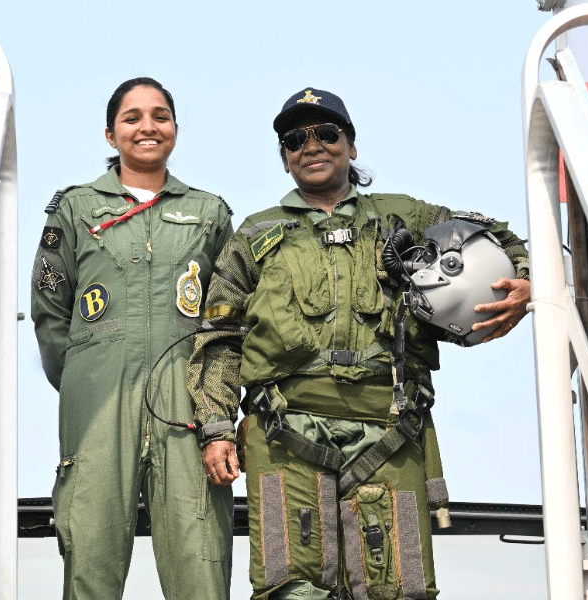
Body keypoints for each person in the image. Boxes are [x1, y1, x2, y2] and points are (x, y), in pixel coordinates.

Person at [187, 87, 530, 600]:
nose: (313, 146)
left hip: (390, 428)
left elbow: (493, 235)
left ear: (350, 144)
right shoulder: (254, 236)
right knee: (290, 587)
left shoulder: (406, 219)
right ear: (284, 159)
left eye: (327, 133)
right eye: (295, 139)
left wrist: (524, 280)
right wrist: (216, 427)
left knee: (399, 586)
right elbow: (219, 339)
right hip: (284, 431)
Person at [31, 77, 235, 600]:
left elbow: (229, 318)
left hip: (187, 410)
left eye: (160, 116)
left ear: (175, 129)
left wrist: (216, 409)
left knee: (201, 562)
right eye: (132, 117)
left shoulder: (209, 213)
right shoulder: (75, 210)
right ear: (109, 133)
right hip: (98, 407)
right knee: (90, 561)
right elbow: (50, 312)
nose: (148, 126)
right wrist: (87, 379)